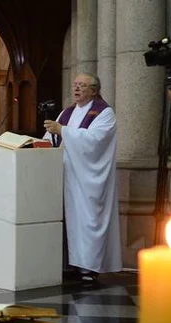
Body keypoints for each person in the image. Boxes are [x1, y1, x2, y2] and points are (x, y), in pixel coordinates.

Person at [43, 73, 122, 283]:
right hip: (65, 176)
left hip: (87, 180)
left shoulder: (104, 113)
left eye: (83, 86)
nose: (76, 89)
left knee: (86, 220)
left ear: (94, 90)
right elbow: (50, 138)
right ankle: (68, 264)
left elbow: (95, 141)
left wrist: (63, 131)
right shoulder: (67, 113)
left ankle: (88, 266)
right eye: (75, 84)